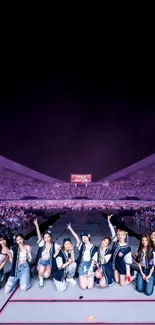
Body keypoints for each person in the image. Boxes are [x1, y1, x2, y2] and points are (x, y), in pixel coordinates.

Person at [67, 223, 98, 290]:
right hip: (82, 265)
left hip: (90, 265)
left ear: (88, 237)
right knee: (83, 287)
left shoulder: (95, 247)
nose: (84, 239)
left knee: (90, 287)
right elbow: (76, 237)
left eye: (85, 237)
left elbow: (94, 260)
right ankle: (83, 276)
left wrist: (90, 269)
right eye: (82, 238)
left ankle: (89, 277)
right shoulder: (82, 246)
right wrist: (70, 228)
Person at [34, 218, 60, 288]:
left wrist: (56, 253)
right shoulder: (42, 244)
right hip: (41, 262)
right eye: (45, 237)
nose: (47, 238)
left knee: (46, 275)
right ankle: (40, 279)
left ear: (50, 237)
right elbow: (39, 235)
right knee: (42, 269)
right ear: (44, 238)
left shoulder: (54, 245)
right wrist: (36, 225)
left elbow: (60, 248)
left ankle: (42, 275)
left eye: (48, 237)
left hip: (49, 263)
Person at [109, 220, 133, 286]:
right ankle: (124, 276)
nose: (120, 236)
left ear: (125, 236)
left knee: (122, 284)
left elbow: (128, 261)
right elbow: (113, 232)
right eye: (119, 235)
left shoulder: (127, 248)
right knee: (116, 281)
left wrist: (128, 272)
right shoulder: (115, 243)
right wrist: (109, 223)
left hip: (122, 266)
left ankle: (132, 277)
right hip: (115, 265)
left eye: (122, 235)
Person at [95, 215, 114, 287]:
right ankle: (101, 277)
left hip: (107, 268)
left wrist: (103, 251)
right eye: (103, 241)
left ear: (108, 245)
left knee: (102, 285)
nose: (103, 243)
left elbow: (103, 262)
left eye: (106, 243)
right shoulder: (97, 248)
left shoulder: (108, 252)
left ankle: (109, 279)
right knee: (97, 274)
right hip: (99, 267)